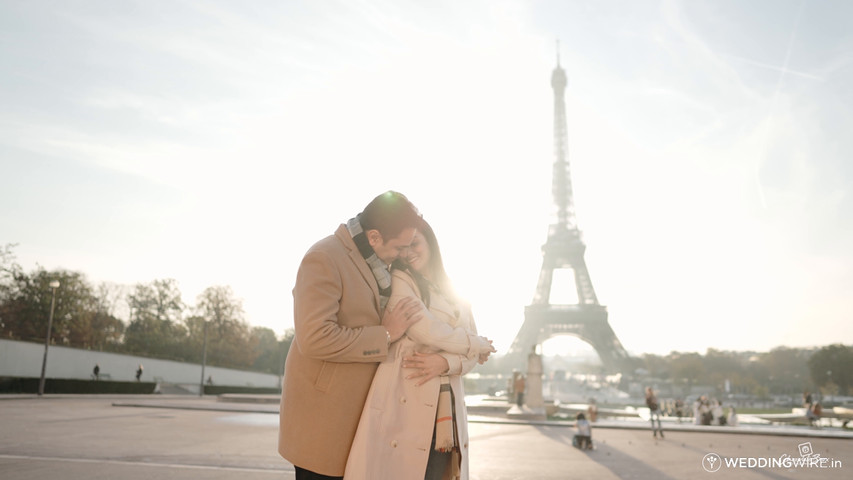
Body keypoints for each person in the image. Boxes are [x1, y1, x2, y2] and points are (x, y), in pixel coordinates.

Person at [278, 191, 427, 480]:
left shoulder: (376, 261)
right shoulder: (324, 257)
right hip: (324, 422)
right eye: (399, 247)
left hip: (361, 420)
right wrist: (385, 334)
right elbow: (315, 337)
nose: (403, 254)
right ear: (374, 237)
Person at [345, 219, 495, 480]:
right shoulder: (401, 280)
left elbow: (471, 357)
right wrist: (476, 343)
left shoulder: (456, 291)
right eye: (402, 247)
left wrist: (446, 363)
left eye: (414, 243)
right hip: (407, 401)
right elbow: (425, 329)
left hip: (445, 412)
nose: (407, 252)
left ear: (431, 243)